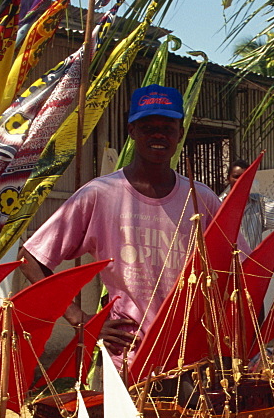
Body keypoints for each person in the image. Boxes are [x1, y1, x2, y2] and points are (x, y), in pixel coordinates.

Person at [19, 84, 227, 367]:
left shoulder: (200, 198)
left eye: (167, 127)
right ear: (132, 131)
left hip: (191, 355)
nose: (158, 135)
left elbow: (240, 265)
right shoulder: (101, 194)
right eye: (147, 127)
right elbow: (31, 258)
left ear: (179, 133)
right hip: (128, 355)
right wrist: (79, 318)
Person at [222, 159, 265, 249]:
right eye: (236, 176)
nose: (240, 180)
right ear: (228, 178)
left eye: (245, 176)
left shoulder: (260, 204)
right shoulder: (217, 205)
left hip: (250, 262)